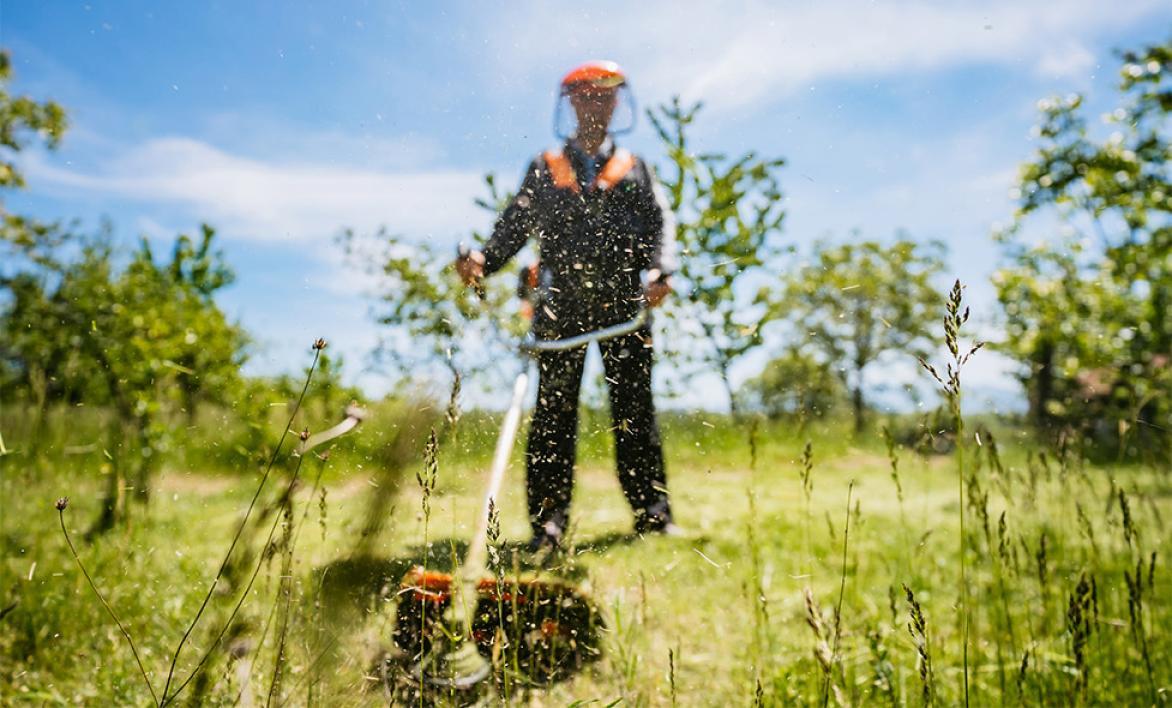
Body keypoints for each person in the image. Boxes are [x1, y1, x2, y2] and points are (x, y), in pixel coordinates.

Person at [455, 60, 680, 551]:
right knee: (553, 415)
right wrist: (482, 260)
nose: (594, 103)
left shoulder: (637, 168)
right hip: (560, 308)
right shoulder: (545, 167)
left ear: (617, 103)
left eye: (604, 95)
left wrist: (662, 272)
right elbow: (514, 225)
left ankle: (652, 514)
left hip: (625, 306)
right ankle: (549, 526)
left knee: (634, 412)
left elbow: (661, 224)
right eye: (585, 96)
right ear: (571, 104)